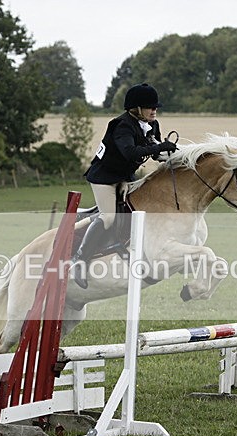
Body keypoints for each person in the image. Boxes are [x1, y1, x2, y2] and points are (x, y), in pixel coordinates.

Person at [72, 83, 177, 289]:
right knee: (109, 217)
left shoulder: (152, 124)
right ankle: (80, 260)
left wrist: (171, 153)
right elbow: (130, 152)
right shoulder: (122, 126)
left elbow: (154, 152)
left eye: (155, 107)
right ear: (136, 109)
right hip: (104, 177)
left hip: (125, 175)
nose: (154, 110)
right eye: (149, 107)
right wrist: (158, 146)